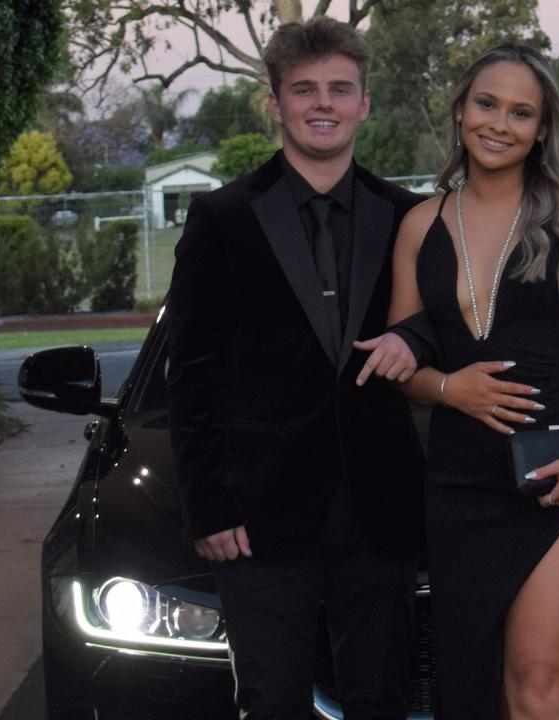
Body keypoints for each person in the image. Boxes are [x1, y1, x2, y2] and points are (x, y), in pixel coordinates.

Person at [376, 44, 559, 719]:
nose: (499, 123)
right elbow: (405, 365)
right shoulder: (420, 225)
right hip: (457, 483)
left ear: (541, 129)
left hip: (557, 473)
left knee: (538, 681)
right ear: (459, 110)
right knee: (475, 685)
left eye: (520, 112)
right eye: (486, 104)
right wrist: (450, 389)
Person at [163, 17, 429, 720]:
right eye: (304, 88)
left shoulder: (408, 216)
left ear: (364, 103)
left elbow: (443, 327)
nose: (324, 103)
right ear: (275, 103)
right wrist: (208, 506)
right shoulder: (221, 218)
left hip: (380, 507)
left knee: (381, 700)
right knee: (272, 701)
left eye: (341, 89)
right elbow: (189, 373)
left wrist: (418, 342)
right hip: (256, 509)